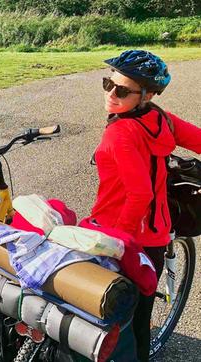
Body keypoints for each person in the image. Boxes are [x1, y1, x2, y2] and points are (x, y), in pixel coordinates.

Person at [90, 49, 201, 361]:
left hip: (119, 234)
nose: (111, 94)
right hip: (156, 236)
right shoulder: (160, 118)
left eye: (122, 90)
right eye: (107, 84)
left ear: (147, 94)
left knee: (110, 322)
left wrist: (117, 243)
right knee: (139, 321)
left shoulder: (119, 134)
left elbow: (140, 195)